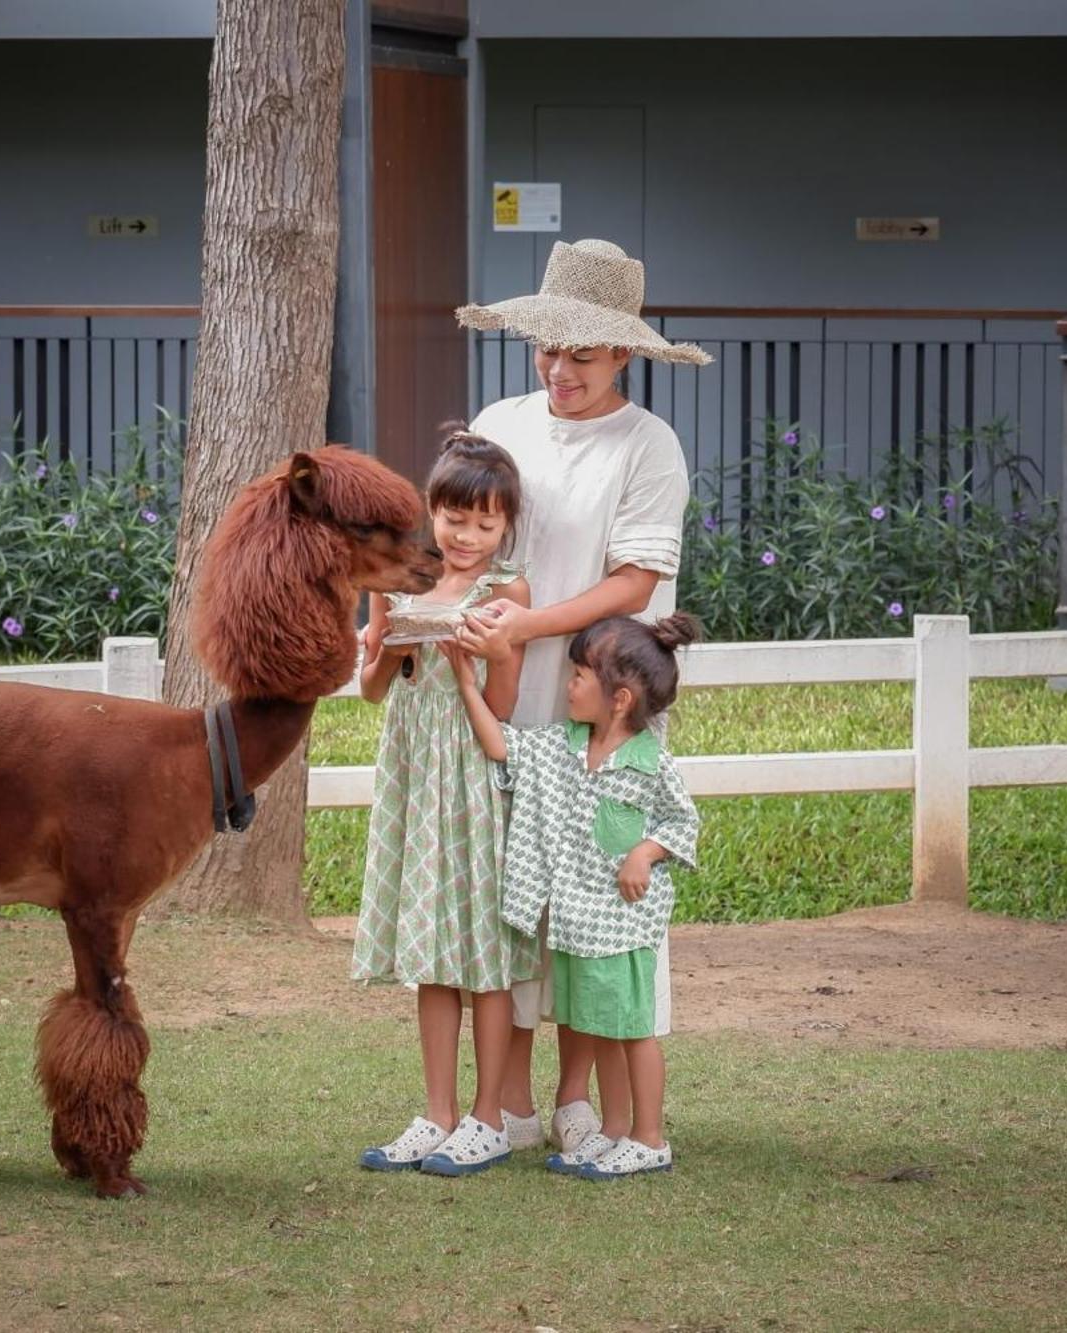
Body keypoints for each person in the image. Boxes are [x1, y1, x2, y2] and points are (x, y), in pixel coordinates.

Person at [451, 237, 711, 1156]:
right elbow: (468, 535)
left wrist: (532, 625)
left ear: (625, 356)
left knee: (598, 902)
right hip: (506, 697)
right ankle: (511, 1100)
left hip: (602, 706)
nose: (560, 370)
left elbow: (636, 582)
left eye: (584, 355)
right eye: (549, 349)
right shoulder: (502, 419)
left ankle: (587, 1104)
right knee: (514, 895)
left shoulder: (649, 447)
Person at [447, 613, 702, 1177]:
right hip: (576, 926)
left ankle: (649, 1137)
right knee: (600, 1030)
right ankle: (614, 1132)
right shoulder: (560, 750)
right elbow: (501, 747)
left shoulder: (649, 763)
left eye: (581, 674)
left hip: (625, 925)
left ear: (620, 698)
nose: (569, 684)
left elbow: (682, 824)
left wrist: (644, 852)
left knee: (633, 1032)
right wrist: (468, 683)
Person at [351, 432, 532, 1176]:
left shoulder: (508, 594)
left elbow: (504, 705)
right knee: (431, 953)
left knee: (483, 953)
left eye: (486, 525)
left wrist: (489, 657)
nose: (468, 537)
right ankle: (437, 1112)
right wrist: (388, 644)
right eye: (456, 519)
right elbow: (368, 690)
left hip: (472, 782)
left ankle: (490, 1118)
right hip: (414, 783)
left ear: (506, 528)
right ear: (432, 511)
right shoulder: (397, 585)